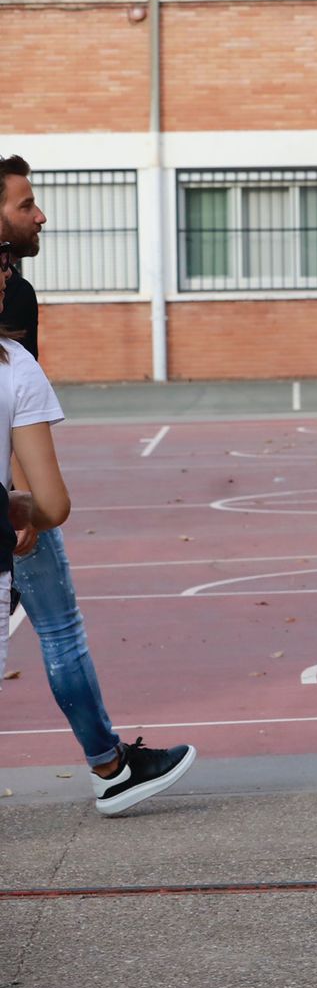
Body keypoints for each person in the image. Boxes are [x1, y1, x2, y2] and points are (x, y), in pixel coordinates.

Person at [0, 155, 196, 815]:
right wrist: (25, 511)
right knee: (60, 629)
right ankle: (109, 765)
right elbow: (16, 418)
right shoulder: (14, 314)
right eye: (25, 204)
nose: (39, 215)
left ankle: (109, 761)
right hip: (16, 504)